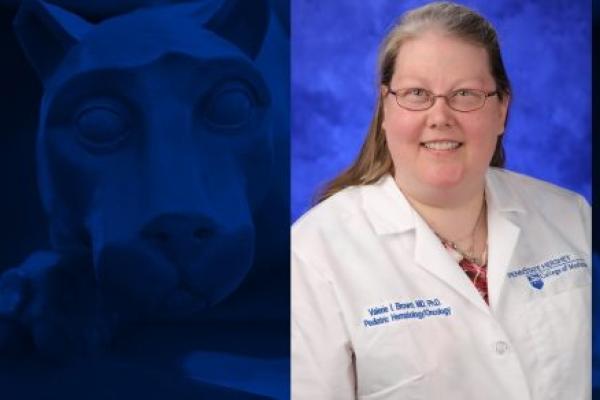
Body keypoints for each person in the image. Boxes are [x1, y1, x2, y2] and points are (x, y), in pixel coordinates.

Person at [291, 2, 591, 399]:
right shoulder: (315, 251)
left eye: (465, 94)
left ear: (502, 110)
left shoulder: (572, 217)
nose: (440, 116)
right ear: (386, 109)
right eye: (417, 93)